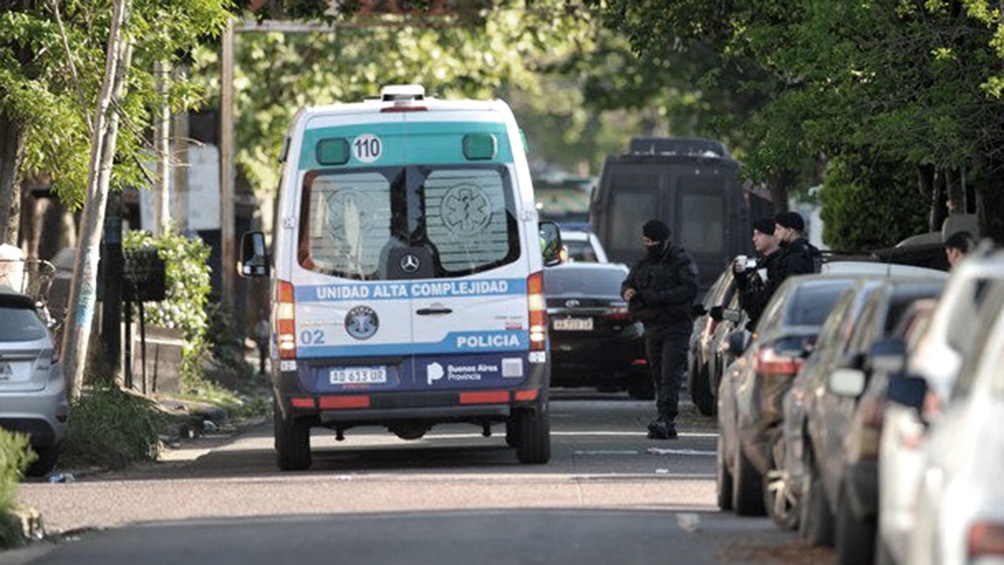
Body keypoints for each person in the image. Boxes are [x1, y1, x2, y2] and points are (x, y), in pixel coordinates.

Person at [621, 219, 699, 440]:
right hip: (652, 326)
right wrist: (627, 291)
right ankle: (665, 418)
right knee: (658, 373)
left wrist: (654, 298)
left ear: (665, 241)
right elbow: (629, 282)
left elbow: (689, 289)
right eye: (646, 241)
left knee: (669, 375)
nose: (649, 245)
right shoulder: (644, 263)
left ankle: (666, 418)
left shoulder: (681, 261)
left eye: (653, 241)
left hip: (676, 325)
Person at [733, 217, 782, 331]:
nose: (754, 239)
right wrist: (740, 275)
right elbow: (746, 299)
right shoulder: (761, 264)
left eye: (759, 234)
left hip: (769, 327)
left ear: (773, 236)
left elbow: (763, 301)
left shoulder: (779, 264)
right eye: (754, 234)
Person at [773, 210, 820, 278]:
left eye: (778, 229)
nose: (775, 233)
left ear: (790, 231)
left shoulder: (794, 256)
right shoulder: (809, 249)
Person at [253, 309, 270, 374]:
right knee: (261, 355)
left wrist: (266, 340)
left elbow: (267, 333)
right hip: (260, 340)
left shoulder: (266, 325)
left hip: (264, 341)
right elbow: (256, 333)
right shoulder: (258, 325)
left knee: (263, 355)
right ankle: (261, 369)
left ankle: (263, 368)